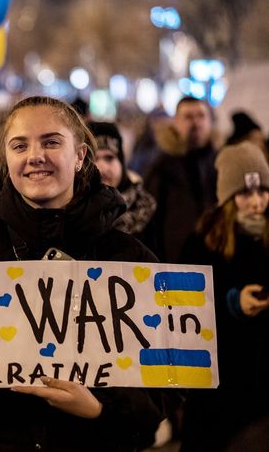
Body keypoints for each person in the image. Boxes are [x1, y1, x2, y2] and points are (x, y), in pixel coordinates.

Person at [0, 96, 182, 450]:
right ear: (7, 159)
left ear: (81, 156)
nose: (35, 155)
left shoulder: (128, 259)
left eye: (51, 142)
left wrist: (101, 407)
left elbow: (169, 376)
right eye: (19, 145)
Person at [179, 142, 269, 451]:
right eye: (246, 194)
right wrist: (232, 301)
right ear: (228, 197)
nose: (257, 202)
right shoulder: (203, 239)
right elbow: (185, 302)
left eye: (262, 192)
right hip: (220, 374)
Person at [144, 97, 218, 262]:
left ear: (210, 120)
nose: (195, 122)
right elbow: (151, 221)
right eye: (188, 117)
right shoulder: (161, 166)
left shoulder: (220, 162)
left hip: (216, 260)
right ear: (176, 123)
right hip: (175, 262)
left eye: (201, 116)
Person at [89, 121, 156, 237]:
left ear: (121, 161)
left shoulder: (144, 207)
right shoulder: (72, 212)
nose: (101, 169)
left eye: (109, 158)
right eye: (94, 159)